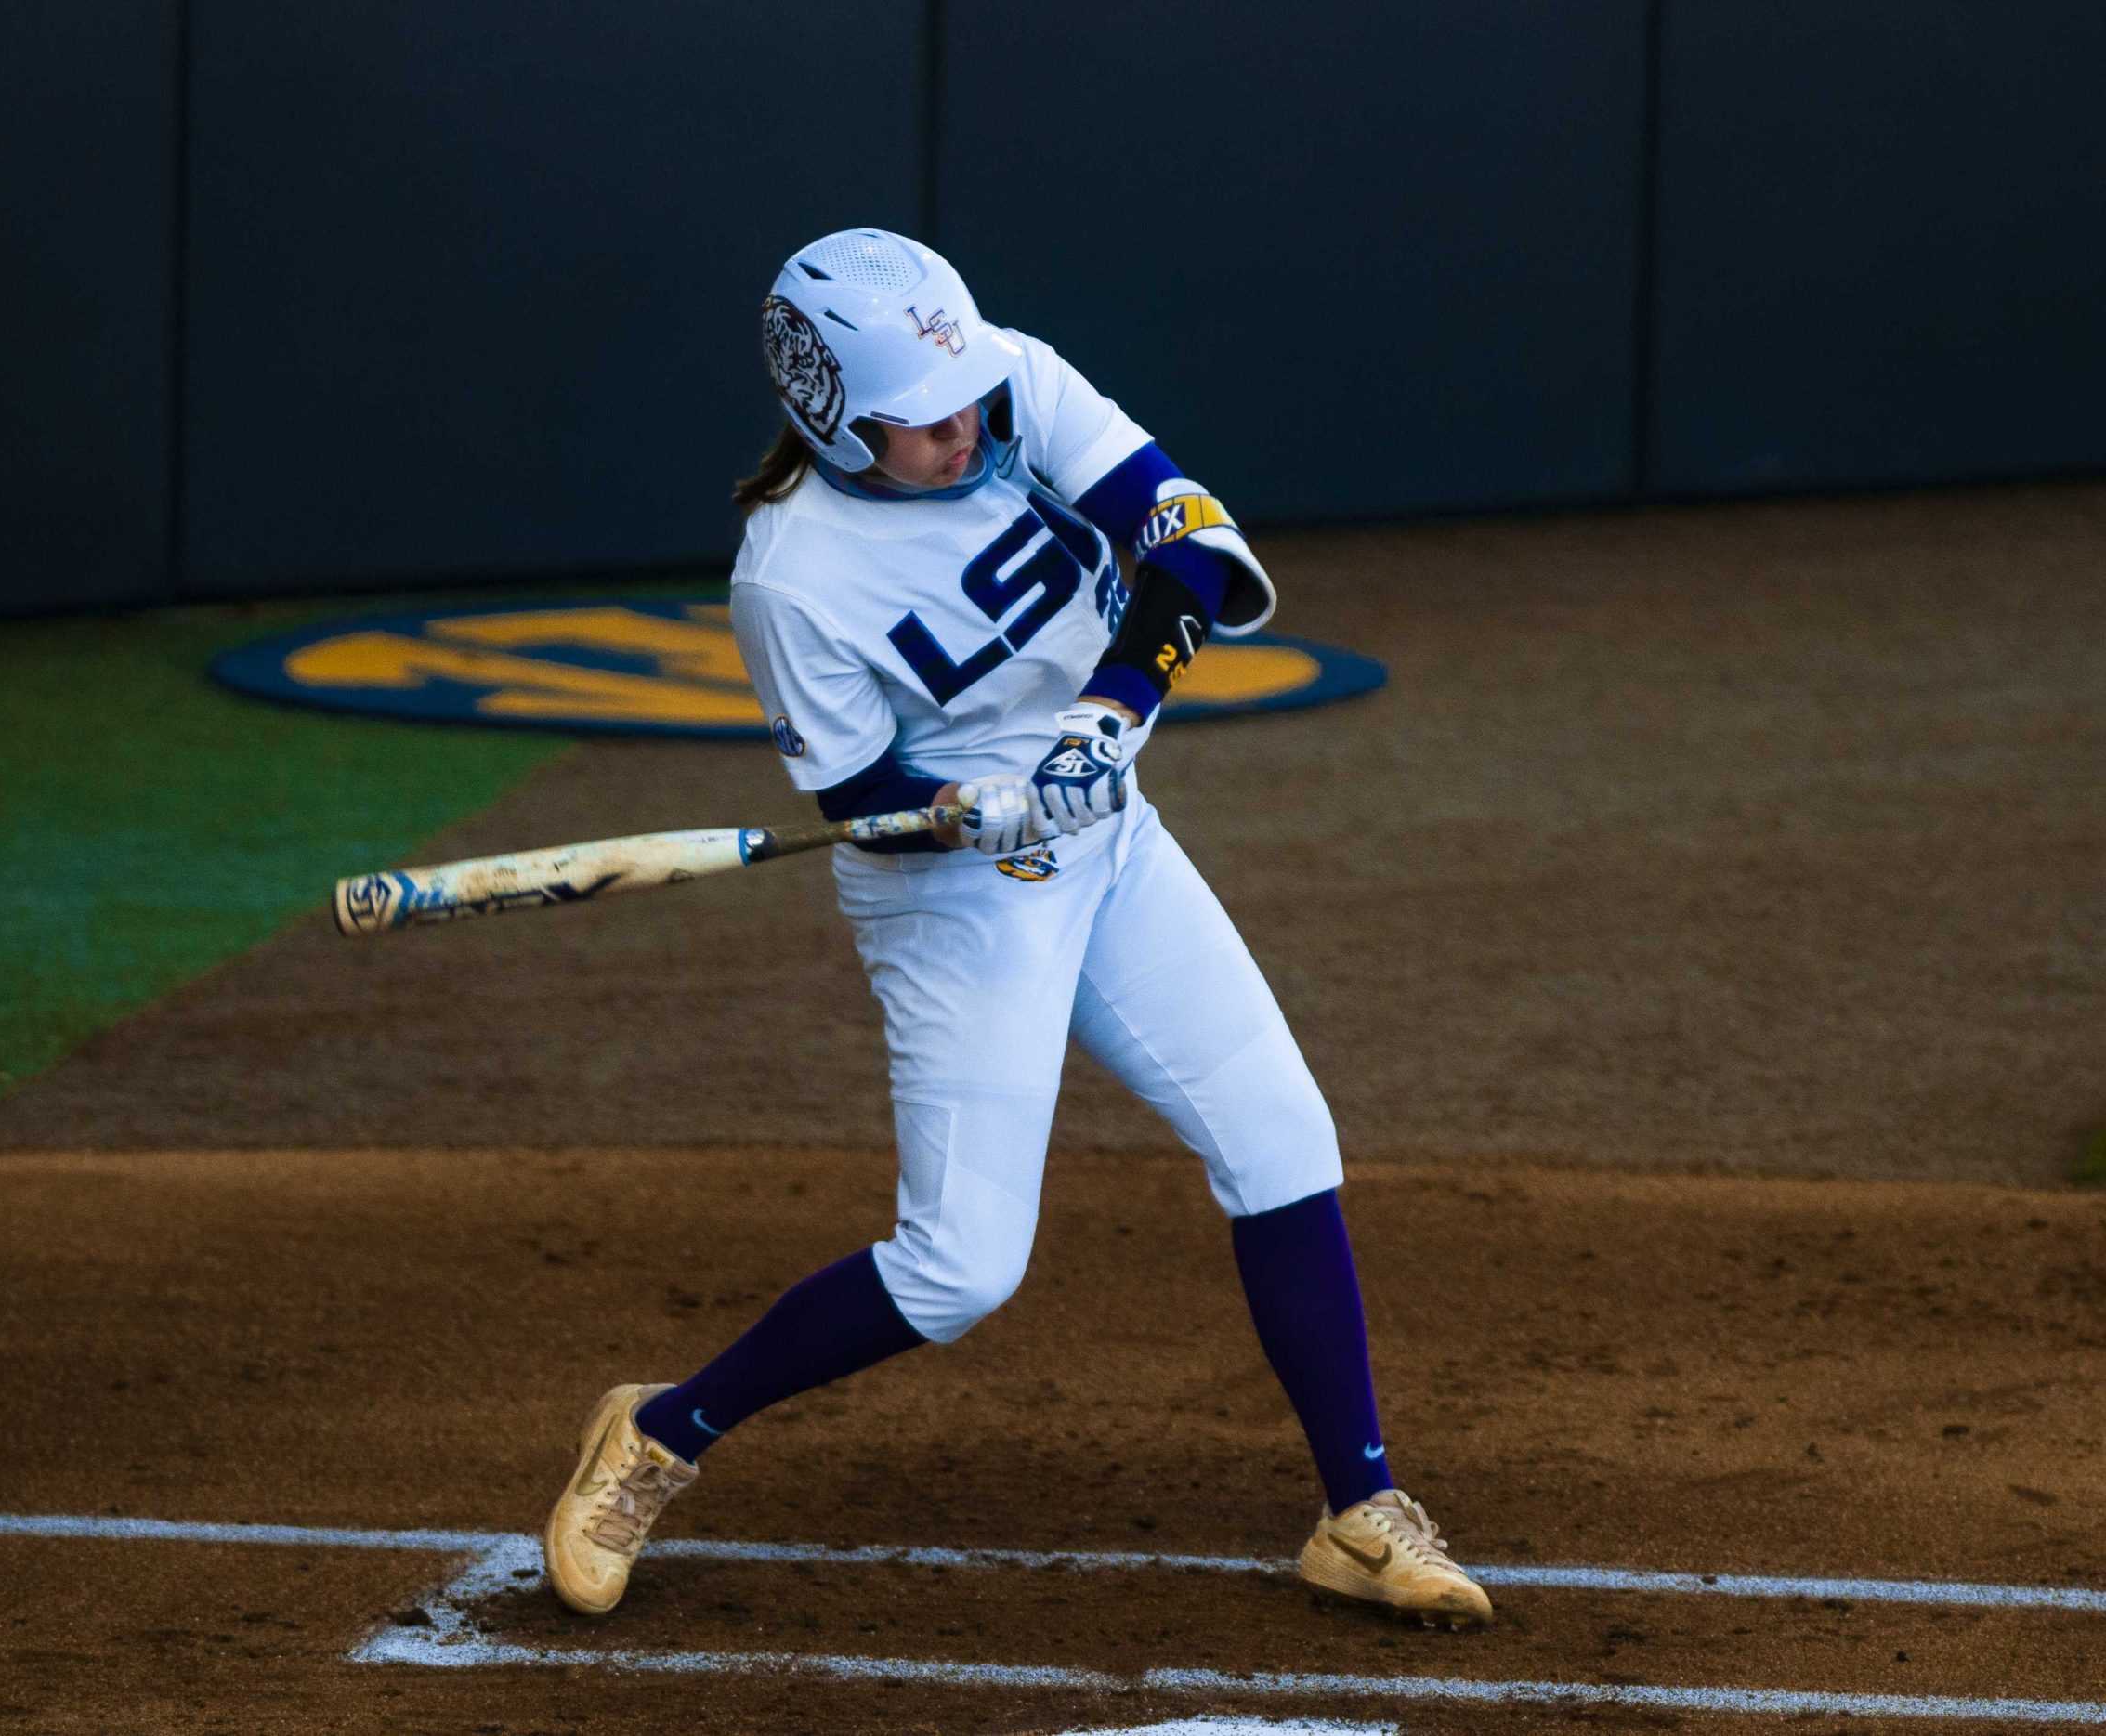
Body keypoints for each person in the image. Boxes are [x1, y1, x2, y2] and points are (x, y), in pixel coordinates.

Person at [541, 228, 1491, 1630]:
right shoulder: (791, 579)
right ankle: (662, 1432)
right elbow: (863, 800)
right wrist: (961, 810)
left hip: (1112, 842)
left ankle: (1358, 1510)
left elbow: (1191, 535)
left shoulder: (1011, 385)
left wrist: (1112, 709)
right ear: (832, 423)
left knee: (1282, 1137)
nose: (963, 427)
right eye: (919, 425)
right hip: (952, 901)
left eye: (966, 395)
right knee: (960, 1267)